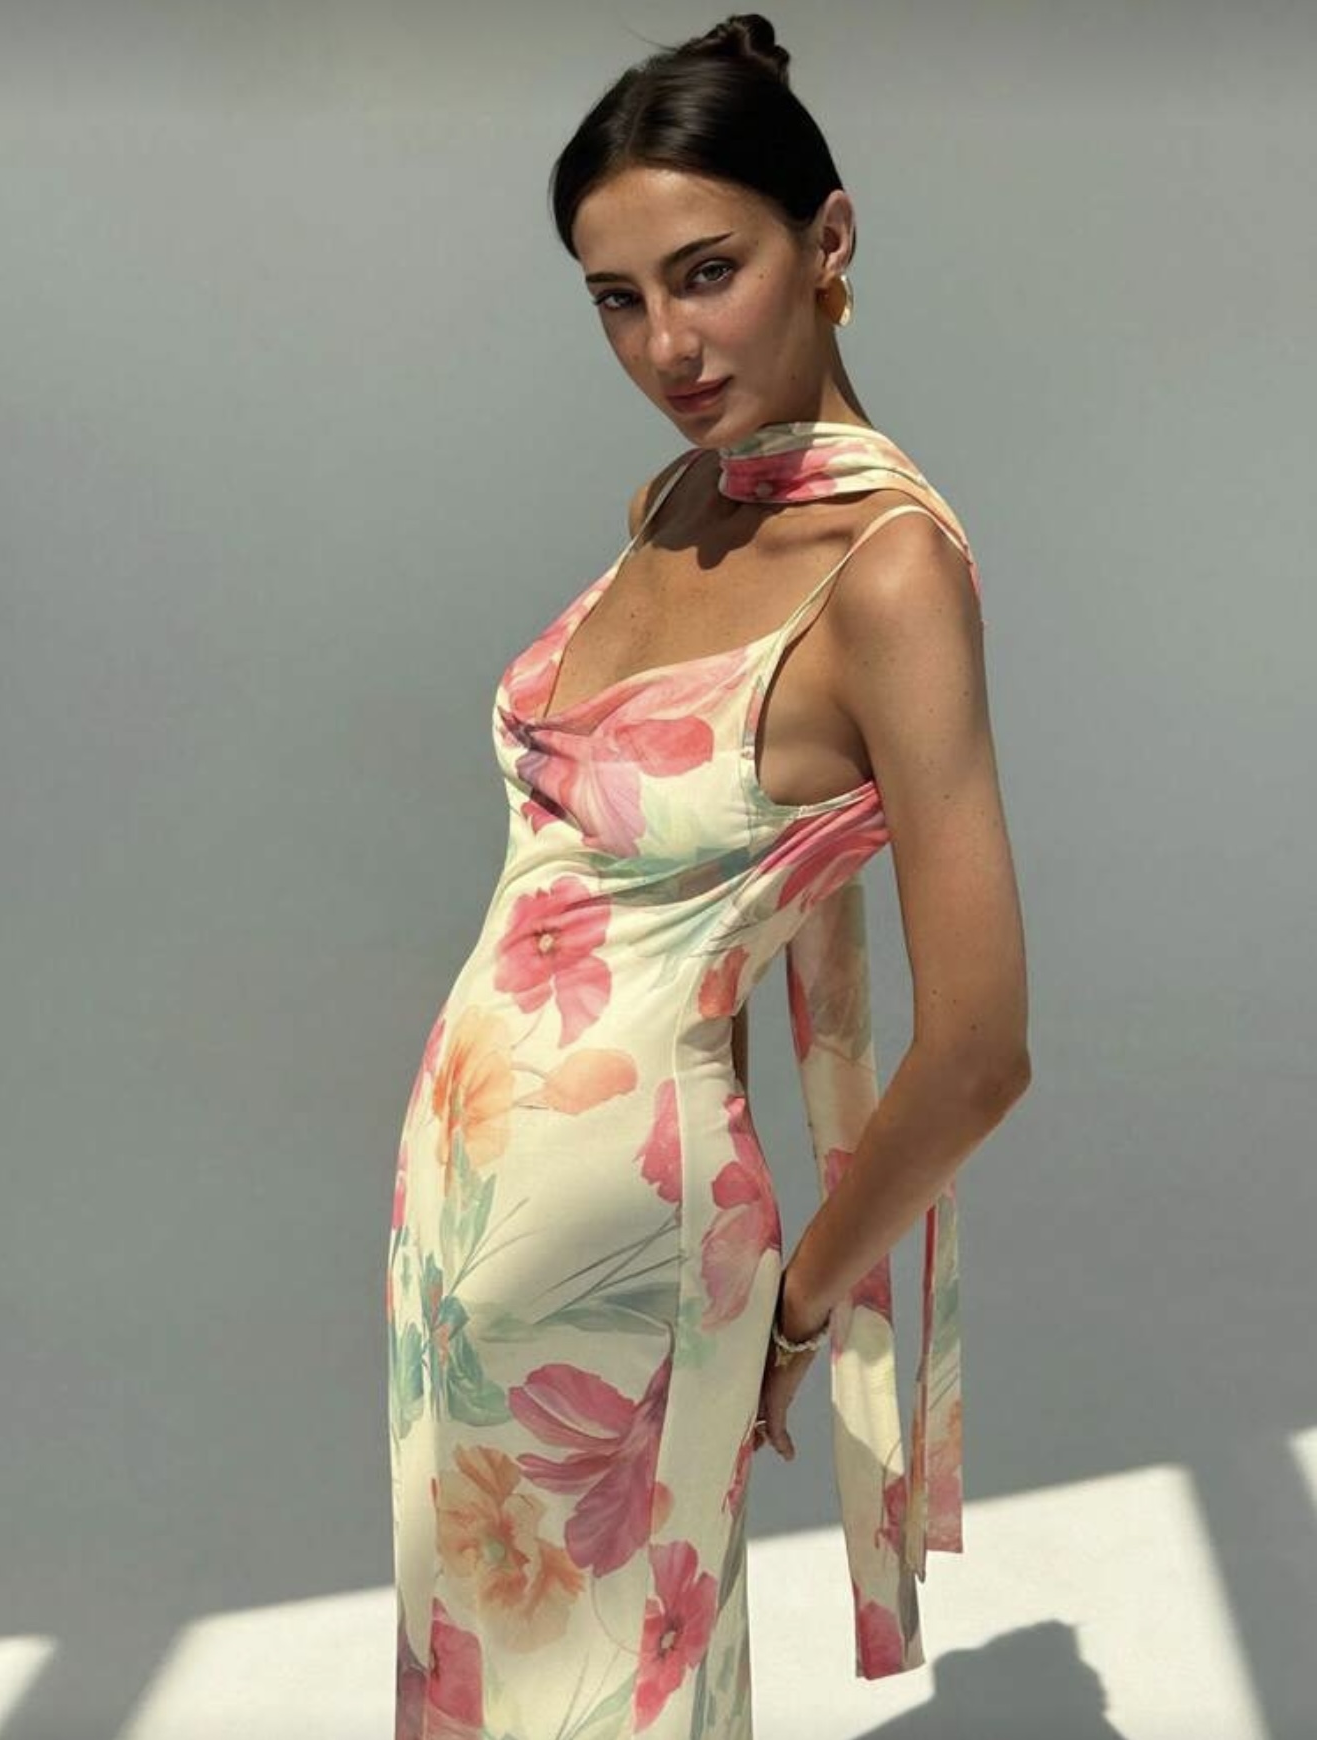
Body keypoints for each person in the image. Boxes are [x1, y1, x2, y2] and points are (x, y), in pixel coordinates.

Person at [385, 13, 1030, 1738]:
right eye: (616, 299)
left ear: (828, 243)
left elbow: (982, 1047)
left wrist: (799, 1308)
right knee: (480, 1692)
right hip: (465, 1218)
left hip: (641, 1241)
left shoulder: (888, 577)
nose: (665, 344)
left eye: (706, 273)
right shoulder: (678, 502)